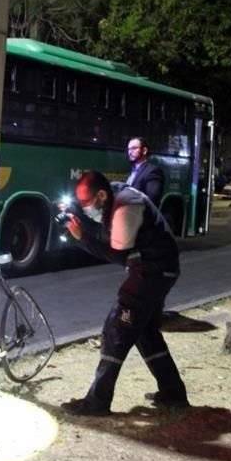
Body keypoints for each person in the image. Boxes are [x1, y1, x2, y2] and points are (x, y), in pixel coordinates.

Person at [58, 171, 188, 416]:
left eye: (86, 203)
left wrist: (81, 238)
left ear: (102, 195)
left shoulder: (126, 208)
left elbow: (117, 255)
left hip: (151, 273)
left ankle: (97, 402)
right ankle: (173, 393)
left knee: (117, 329)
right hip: (159, 271)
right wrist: (78, 215)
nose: (86, 208)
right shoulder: (116, 195)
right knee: (146, 332)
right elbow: (106, 230)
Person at [124, 137, 164, 206]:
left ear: (144, 151)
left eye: (134, 148)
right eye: (129, 149)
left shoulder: (153, 171)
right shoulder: (133, 171)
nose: (130, 152)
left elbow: (152, 199)